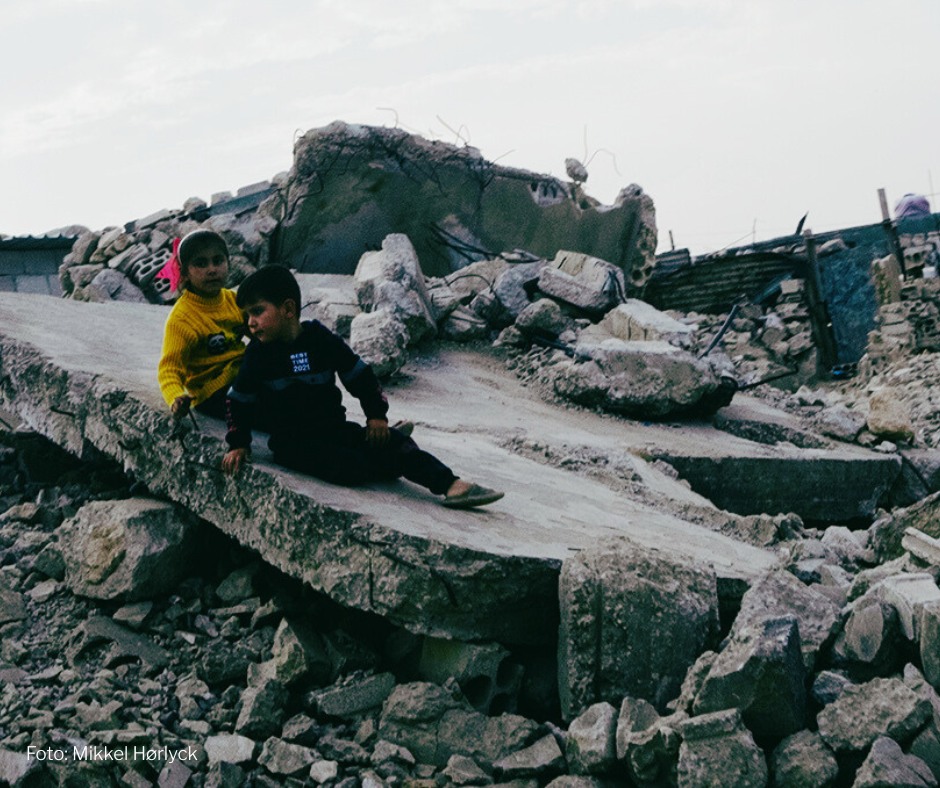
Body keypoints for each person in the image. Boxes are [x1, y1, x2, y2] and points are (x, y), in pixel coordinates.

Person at [220, 265, 504, 509]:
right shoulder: (258, 355)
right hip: (293, 443)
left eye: (257, 312)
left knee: (393, 443)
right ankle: (388, 458)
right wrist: (239, 444)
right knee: (350, 466)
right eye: (247, 316)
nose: (251, 323)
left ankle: (451, 485)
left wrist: (376, 415)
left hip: (333, 428)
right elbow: (239, 401)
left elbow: (359, 375)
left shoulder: (319, 339)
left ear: (288, 309)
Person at [158, 229, 246, 421]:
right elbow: (170, 369)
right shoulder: (182, 318)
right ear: (185, 273)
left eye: (218, 261)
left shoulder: (234, 300)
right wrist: (176, 398)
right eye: (201, 263)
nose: (212, 269)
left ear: (228, 263)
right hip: (213, 393)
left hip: (245, 374)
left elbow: (263, 333)